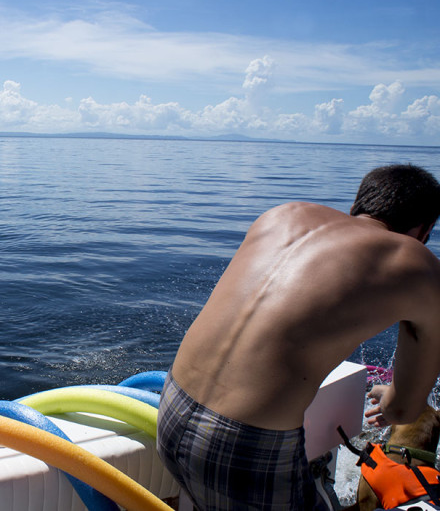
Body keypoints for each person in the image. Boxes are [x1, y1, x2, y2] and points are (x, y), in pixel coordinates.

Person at [157, 164, 440, 510]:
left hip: (171, 409)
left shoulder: (282, 214)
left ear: (356, 207)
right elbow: (403, 409)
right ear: (423, 231)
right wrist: (388, 394)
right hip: (244, 450)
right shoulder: (420, 267)